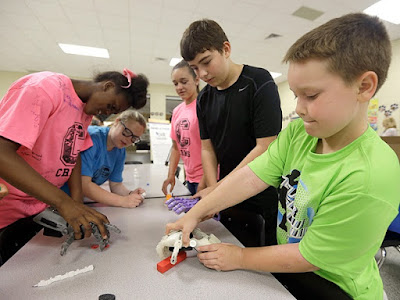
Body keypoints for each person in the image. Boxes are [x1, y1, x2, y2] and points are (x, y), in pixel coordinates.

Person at [166, 13, 400, 300]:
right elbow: (251, 176)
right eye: (296, 95)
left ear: (364, 87)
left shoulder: (371, 173)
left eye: (311, 96)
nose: (299, 109)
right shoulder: (299, 134)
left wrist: (240, 257)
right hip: (288, 275)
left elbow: (309, 256)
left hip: (337, 288)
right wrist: (195, 213)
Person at [0, 69, 149, 265]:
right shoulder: (44, 89)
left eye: (112, 111)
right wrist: (65, 203)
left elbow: (74, 154)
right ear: (107, 85)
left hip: (36, 208)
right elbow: (2, 153)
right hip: (6, 210)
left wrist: (77, 204)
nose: (105, 113)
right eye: (110, 105)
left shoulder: (83, 110)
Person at [180, 19, 282, 246]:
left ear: (226, 49)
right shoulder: (204, 98)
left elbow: (265, 147)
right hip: (225, 195)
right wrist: (211, 186)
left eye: (206, 62)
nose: (202, 74)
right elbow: (207, 147)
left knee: (260, 261)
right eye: (195, 68)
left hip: (260, 194)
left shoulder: (259, 82)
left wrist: (217, 189)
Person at [62, 109, 147, 208]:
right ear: (117, 122)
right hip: (60, 197)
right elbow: (84, 184)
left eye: (134, 138)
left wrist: (130, 195)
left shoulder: (120, 150)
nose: (128, 140)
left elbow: (116, 185)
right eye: (127, 132)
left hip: (80, 201)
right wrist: (122, 201)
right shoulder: (92, 138)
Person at [162, 60, 205, 196]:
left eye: (184, 81)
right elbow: (176, 147)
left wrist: (206, 181)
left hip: (207, 179)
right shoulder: (177, 111)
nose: (179, 87)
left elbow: (215, 149)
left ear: (196, 80)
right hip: (189, 177)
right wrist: (171, 175)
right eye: (175, 83)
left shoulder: (205, 107)